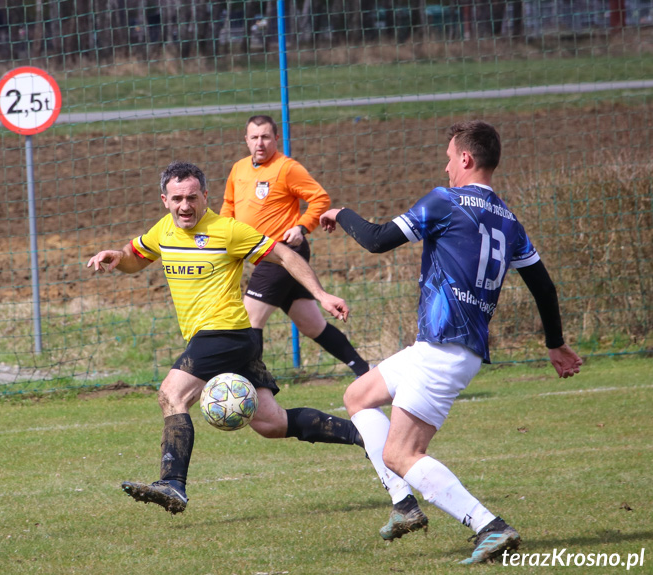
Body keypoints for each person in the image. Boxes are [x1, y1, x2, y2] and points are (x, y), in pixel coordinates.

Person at [319, 121, 583, 564]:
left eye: (448, 157)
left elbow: (379, 239)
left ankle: (488, 525)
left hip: (444, 349)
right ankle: (404, 505)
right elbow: (544, 285)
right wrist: (554, 342)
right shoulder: (509, 219)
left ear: (466, 158)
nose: (444, 167)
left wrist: (340, 213)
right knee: (358, 396)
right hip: (449, 347)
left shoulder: (446, 201)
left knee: (402, 453)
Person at [87, 161, 363, 515]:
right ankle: (364, 435)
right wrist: (116, 257)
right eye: (176, 199)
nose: (184, 206)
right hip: (228, 339)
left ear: (206, 196)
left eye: (191, 197)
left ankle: (172, 483)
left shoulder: (228, 230)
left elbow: (284, 254)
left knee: (171, 395)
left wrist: (321, 295)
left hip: (224, 333)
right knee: (271, 423)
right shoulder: (163, 231)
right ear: (164, 200)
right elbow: (134, 259)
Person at [220, 115, 370, 377]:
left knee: (250, 319)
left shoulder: (287, 168)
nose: (260, 143)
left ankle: (254, 385)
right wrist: (221, 242)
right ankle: (364, 370)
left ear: (276, 138)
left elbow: (320, 198)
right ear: (246, 140)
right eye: (254, 137)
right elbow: (229, 207)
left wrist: (301, 227)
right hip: (262, 256)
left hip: (283, 253)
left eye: (266, 137)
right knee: (312, 325)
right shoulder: (238, 169)